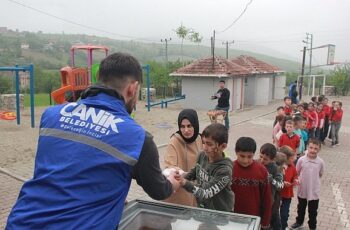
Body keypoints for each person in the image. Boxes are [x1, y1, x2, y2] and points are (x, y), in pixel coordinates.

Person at [6, 53, 180, 229]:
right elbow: (158, 191)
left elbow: (72, 169)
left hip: (22, 222)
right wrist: (171, 182)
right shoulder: (138, 139)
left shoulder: (51, 115)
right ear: (132, 89)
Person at [177, 123, 234, 212]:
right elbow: (195, 172)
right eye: (203, 143)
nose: (205, 148)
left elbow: (205, 192)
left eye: (209, 144)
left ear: (223, 146)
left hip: (221, 214)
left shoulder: (224, 170)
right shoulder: (202, 155)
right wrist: (180, 178)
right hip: (203, 208)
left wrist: (184, 183)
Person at [163, 109, 202, 206]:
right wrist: (185, 175)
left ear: (195, 125)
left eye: (189, 126)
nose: (186, 130)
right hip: (180, 192)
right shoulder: (174, 141)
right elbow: (170, 166)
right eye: (182, 126)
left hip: (196, 190)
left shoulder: (200, 138)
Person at [231, 137, 272, 229]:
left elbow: (267, 199)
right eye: (242, 156)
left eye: (249, 157)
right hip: (232, 218)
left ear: (254, 154)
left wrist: (265, 222)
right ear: (236, 152)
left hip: (253, 220)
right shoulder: (229, 169)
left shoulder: (262, 171)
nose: (245, 160)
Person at [290, 138, 325, 230]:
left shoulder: (320, 162)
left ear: (319, 149)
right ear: (307, 147)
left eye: (315, 148)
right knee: (301, 208)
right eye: (311, 147)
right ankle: (299, 222)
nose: (313, 150)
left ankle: (312, 226)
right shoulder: (301, 160)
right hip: (303, 189)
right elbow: (297, 172)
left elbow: (320, 174)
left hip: (314, 191)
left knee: (313, 211)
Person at [259, 143, 284, 230]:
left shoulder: (276, 169)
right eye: (260, 156)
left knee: (272, 223)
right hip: (257, 201)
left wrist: (272, 180)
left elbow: (281, 186)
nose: (261, 160)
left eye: (265, 159)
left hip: (270, 204)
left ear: (272, 159)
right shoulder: (256, 163)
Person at [279, 145, 299, 230]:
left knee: (285, 213)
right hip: (278, 195)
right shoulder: (279, 167)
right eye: (291, 158)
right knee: (274, 213)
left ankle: (284, 226)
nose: (294, 159)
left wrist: (296, 180)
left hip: (287, 194)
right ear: (285, 158)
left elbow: (295, 176)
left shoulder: (292, 167)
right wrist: (283, 183)